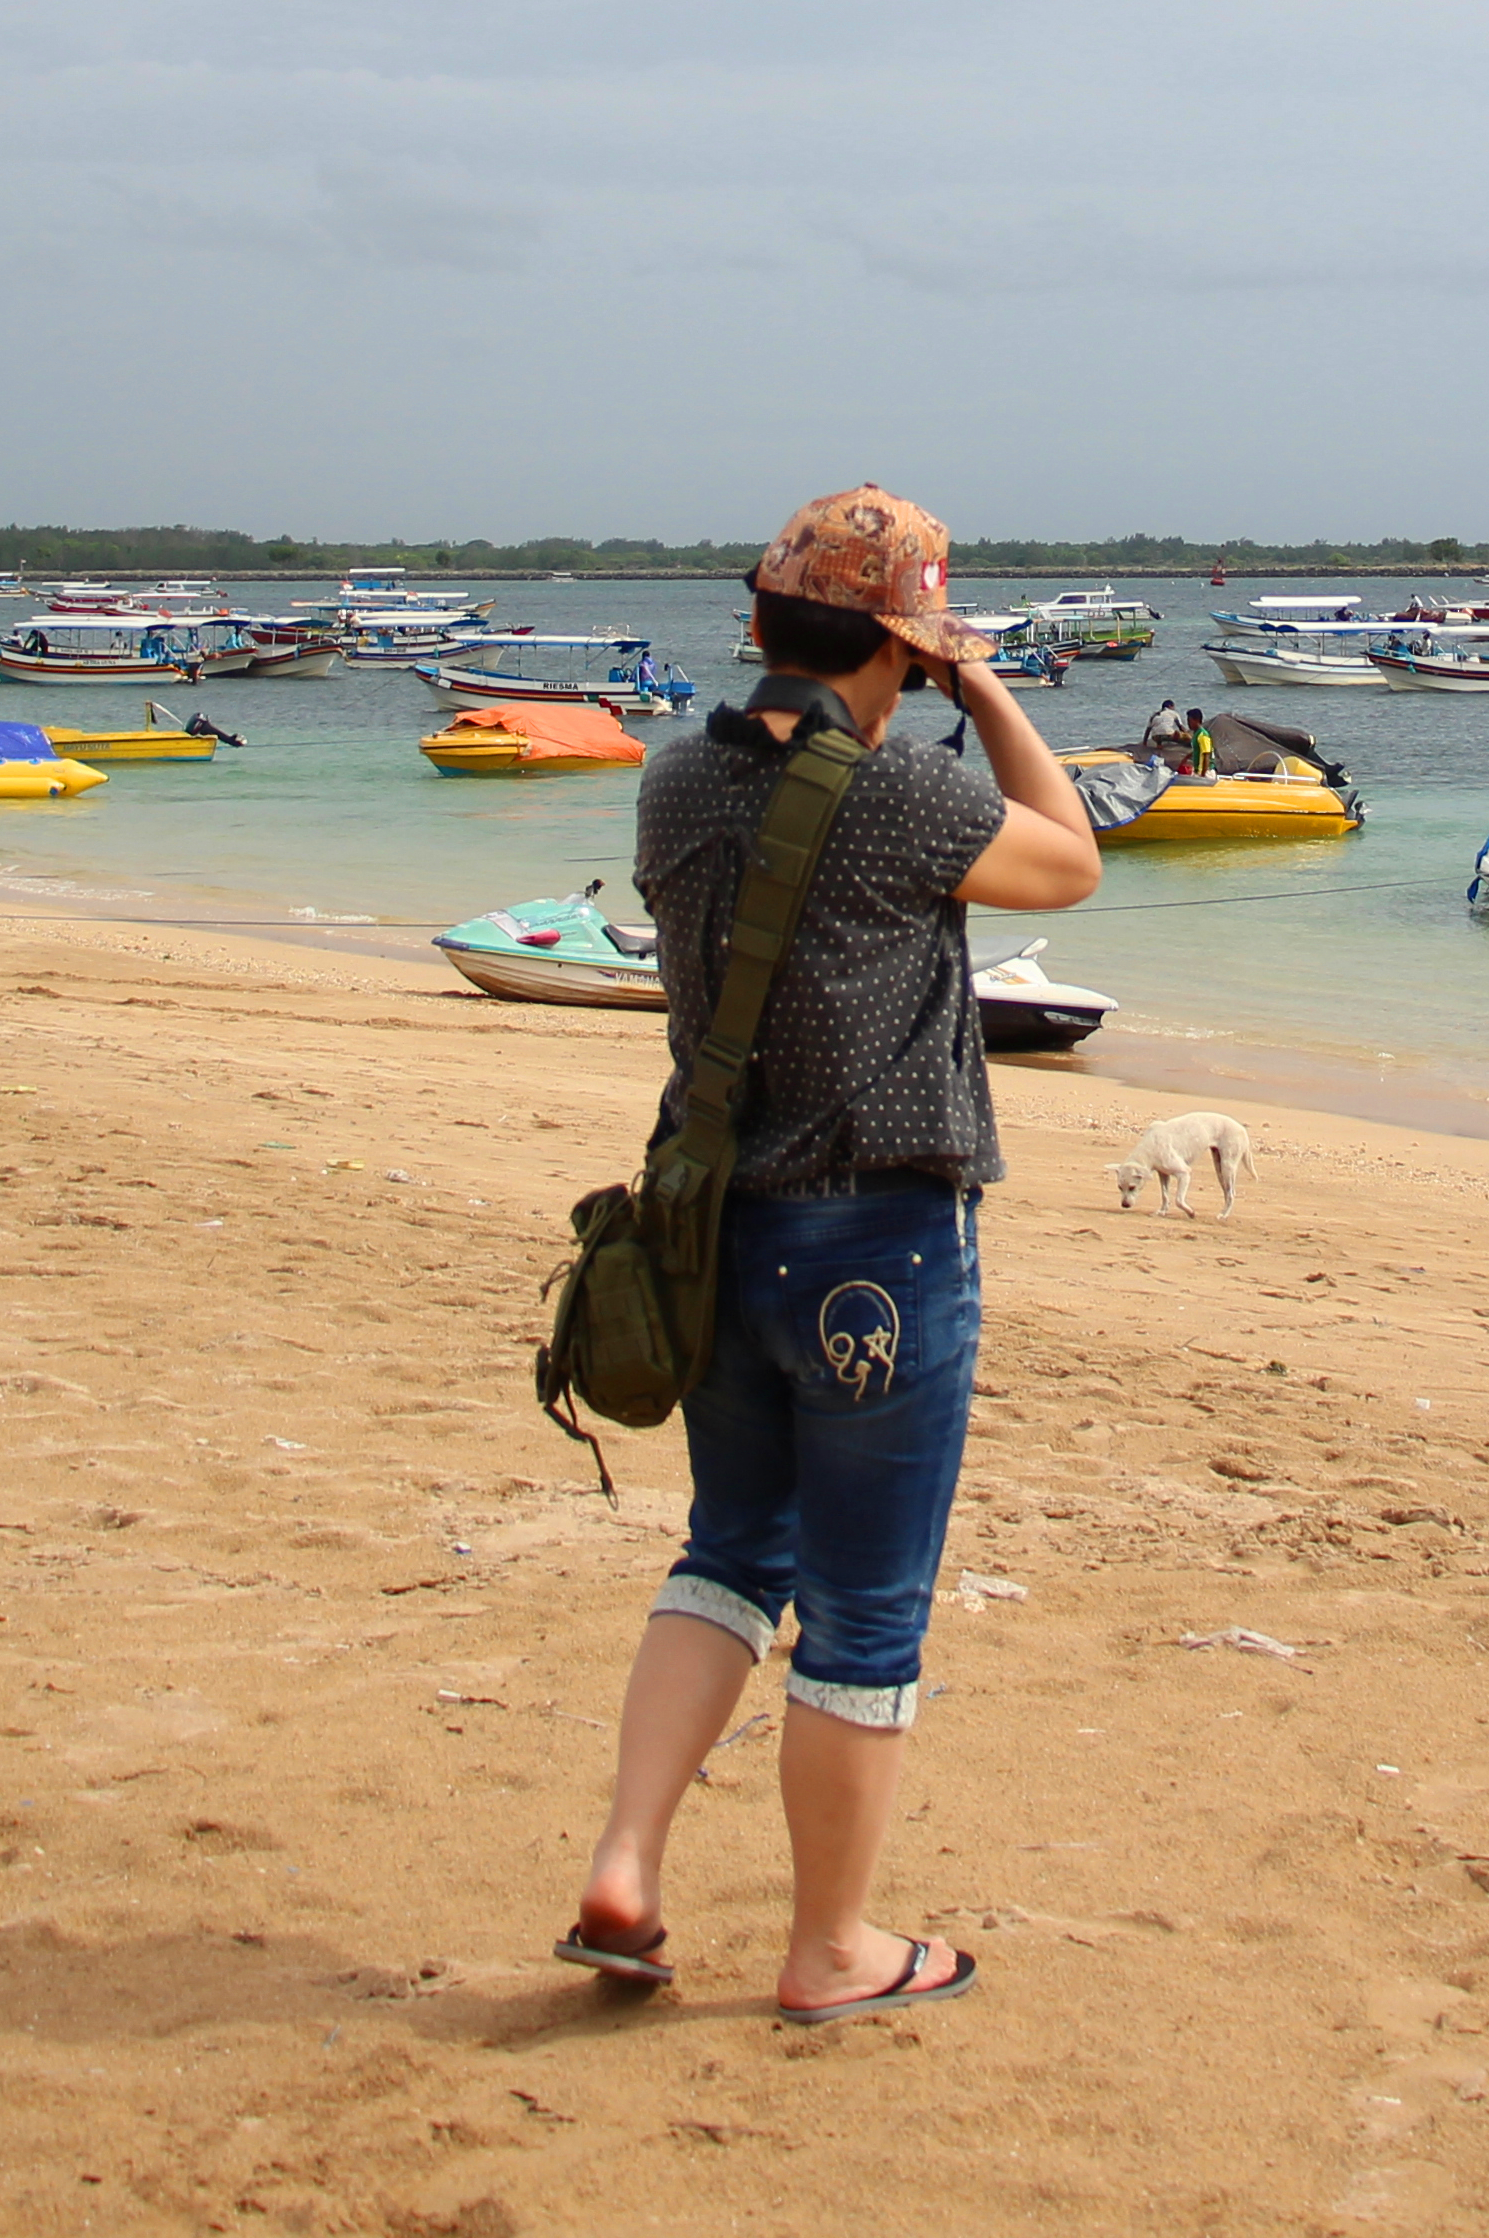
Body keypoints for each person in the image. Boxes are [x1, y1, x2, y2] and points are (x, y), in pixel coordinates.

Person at [562, 487, 1101, 2028]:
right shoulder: (906, 805)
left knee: (730, 1551)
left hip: (713, 1229)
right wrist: (986, 687)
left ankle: (625, 1864)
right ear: (899, 649)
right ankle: (832, 1951)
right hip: (876, 1240)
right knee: (864, 1611)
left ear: (758, 623)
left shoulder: (674, 790)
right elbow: (1070, 862)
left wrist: (914, 668)